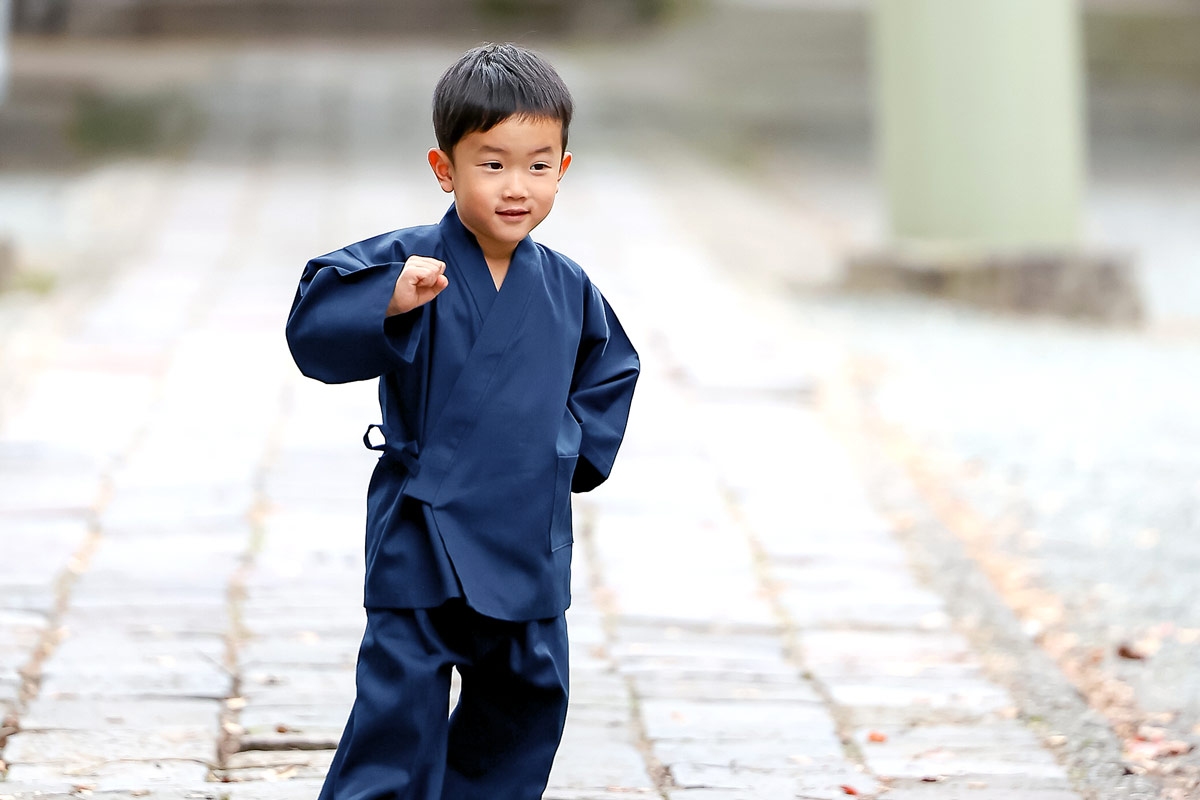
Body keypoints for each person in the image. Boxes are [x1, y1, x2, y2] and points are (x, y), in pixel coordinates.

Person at [285, 43, 640, 800]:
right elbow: (313, 323)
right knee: (398, 714)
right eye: (492, 164)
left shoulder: (569, 286)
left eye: (538, 166)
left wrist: (559, 453)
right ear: (444, 169)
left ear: (563, 170)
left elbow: (611, 372)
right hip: (424, 528)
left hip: (523, 532)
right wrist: (386, 297)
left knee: (524, 705)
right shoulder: (412, 263)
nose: (518, 187)